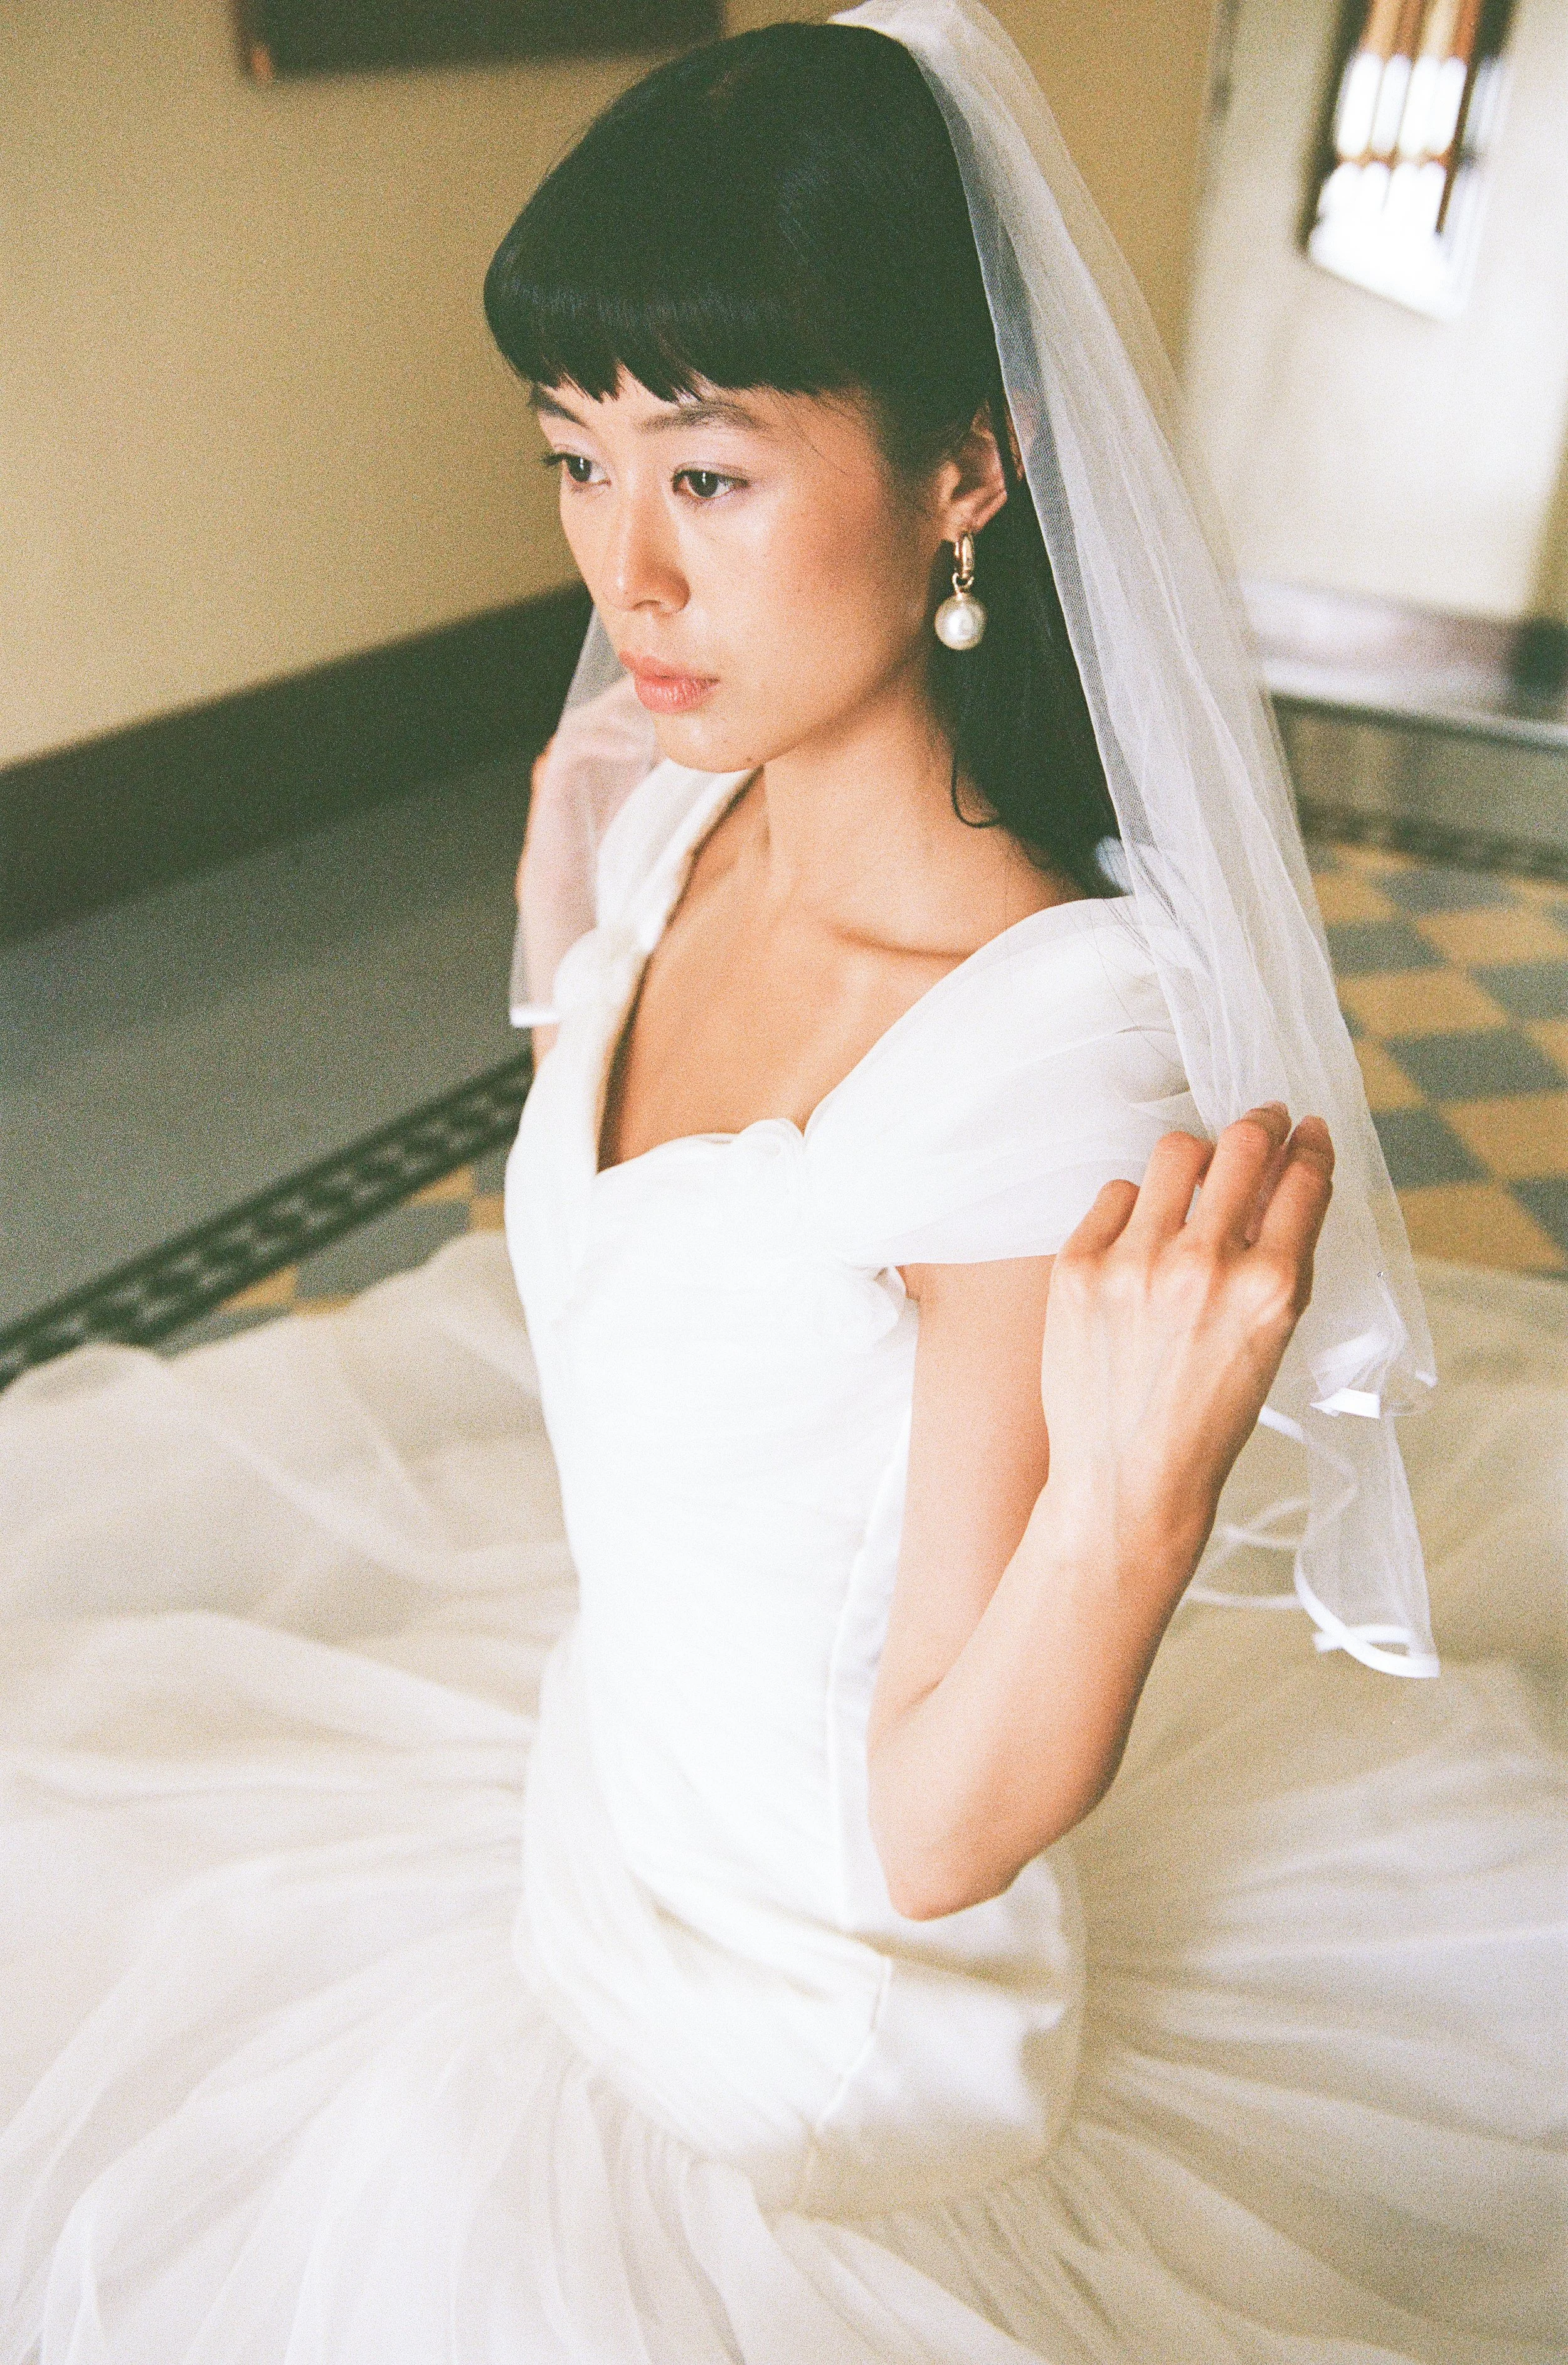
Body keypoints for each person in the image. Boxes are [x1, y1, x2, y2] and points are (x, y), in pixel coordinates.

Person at [1, 5, 1562, 2359]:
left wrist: (1132, 1505)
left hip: (807, 2049)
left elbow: (938, 1826)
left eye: (709, 476)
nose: (626, 569)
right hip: (590, 1827)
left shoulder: (1040, 1049)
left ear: (966, 469)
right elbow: (674, 1314)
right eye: (574, 457)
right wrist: (574, 962)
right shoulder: (677, 816)